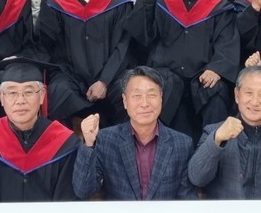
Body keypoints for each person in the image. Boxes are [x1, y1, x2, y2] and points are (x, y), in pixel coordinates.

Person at [128, 0, 238, 140]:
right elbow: (143, 36)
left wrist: (217, 68)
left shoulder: (217, 6)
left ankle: (214, 148)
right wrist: (147, 1)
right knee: (162, 87)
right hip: (167, 75)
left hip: (201, 78)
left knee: (217, 90)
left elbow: (226, 41)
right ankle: (156, 147)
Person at [0, 58, 79, 202]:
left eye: (28, 92)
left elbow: (68, 202)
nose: (20, 100)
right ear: (1, 97)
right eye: (12, 93)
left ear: (42, 95)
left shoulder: (65, 143)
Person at [39, 0, 134, 125]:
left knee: (129, 93)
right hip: (69, 76)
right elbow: (48, 42)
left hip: (110, 77)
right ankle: (66, 142)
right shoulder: (57, 3)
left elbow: (123, 47)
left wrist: (104, 81)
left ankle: (121, 141)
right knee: (58, 91)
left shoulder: (118, 4)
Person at [73, 66, 196, 200]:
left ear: (161, 98)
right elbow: (83, 191)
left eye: (151, 95)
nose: (144, 103)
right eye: (137, 96)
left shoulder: (182, 144)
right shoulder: (106, 139)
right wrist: (89, 143)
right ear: (125, 101)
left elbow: (187, 201)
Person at [189, 65, 261, 199]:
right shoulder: (214, 132)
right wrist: (216, 140)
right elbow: (196, 178)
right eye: (249, 93)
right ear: (237, 95)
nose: (255, 102)